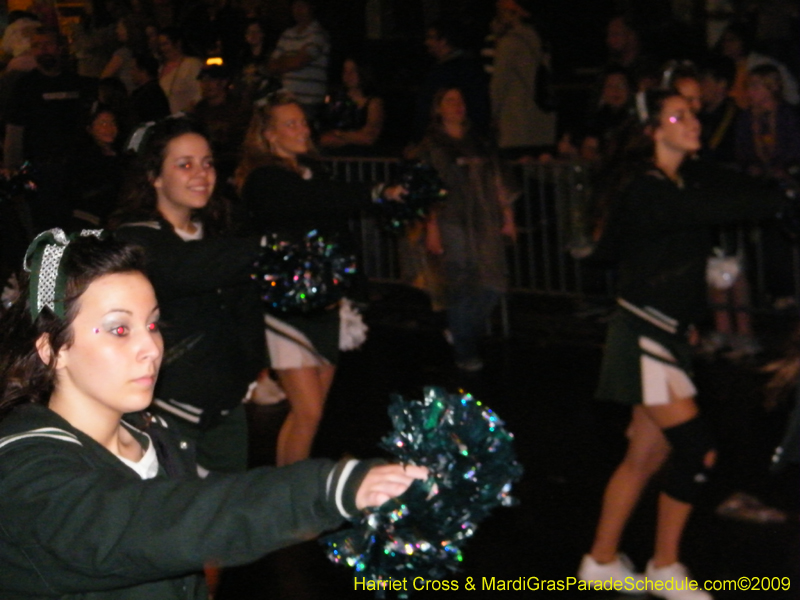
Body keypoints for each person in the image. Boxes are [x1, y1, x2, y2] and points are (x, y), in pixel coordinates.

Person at [0, 228, 427, 598]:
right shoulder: (24, 470)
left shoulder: (156, 436)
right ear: (52, 350)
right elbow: (155, 524)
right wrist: (331, 489)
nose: (151, 348)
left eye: (152, 324)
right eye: (119, 329)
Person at [576, 89, 787, 599]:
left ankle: (600, 561)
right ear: (652, 131)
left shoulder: (679, 181)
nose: (692, 121)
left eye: (693, 113)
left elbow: (710, 207)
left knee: (644, 457)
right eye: (677, 116)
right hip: (644, 336)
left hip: (663, 334)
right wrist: (781, 199)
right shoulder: (647, 189)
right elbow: (710, 208)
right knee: (697, 452)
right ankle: (665, 567)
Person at [235, 92, 405, 466]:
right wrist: (377, 191)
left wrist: (353, 290)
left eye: (303, 122)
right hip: (285, 306)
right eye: (290, 124)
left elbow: (336, 232)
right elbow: (318, 199)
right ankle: (292, 496)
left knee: (312, 412)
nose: (302, 129)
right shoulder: (264, 179)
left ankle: (294, 485)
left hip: (325, 303)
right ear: (269, 135)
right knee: (308, 411)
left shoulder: (313, 171)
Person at [110, 116, 265, 474]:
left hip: (226, 407)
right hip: (165, 411)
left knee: (233, 501)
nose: (202, 174)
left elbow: (246, 311)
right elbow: (183, 269)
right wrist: (272, 246)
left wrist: (254, 372)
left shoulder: (222, 233)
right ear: (155, 176)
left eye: (207, 163)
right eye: (185, 165)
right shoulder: (135, 239)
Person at [409, 86, 517, 373]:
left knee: (494, 284)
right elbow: (426, 190)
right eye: (450, 101)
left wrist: (507, 216)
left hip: (485, 218)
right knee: (462, 283)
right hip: (451, 219)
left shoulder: (480, 141)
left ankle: (459, 330)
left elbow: (498, 179)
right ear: (438, 109)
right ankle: (465, 351)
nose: (458, 105)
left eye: (461, 100)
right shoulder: (431, 146)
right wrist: (432, 227)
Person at [3, 26, 96, 230]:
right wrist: (12, 166)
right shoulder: (24, 86)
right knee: (46, 227)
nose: (43, 50)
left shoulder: (76, 83)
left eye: (48, 44)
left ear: (60, 48)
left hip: (75, 169)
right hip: (40, 170)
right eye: (37, 46)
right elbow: (15, 129)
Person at [489, 0, 555, 158]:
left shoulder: (510, 43)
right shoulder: (540, 39)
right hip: (542, 121)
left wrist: (492, 115)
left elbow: (498, 86)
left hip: (515, 124)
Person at [413, 18, 490, 141]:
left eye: (431, 38)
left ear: (443, 41)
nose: (426, 42)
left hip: (451, 136)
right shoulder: (466, 67)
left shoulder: (450, 71)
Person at [64, 103, 128, 230]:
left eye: (112, 123)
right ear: (90, 129)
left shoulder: (122, 156)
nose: (109, 128)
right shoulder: (84, 159)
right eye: (103, 123)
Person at [267, 0, 330, 120]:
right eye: (295, 6)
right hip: (287, 99)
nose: (298, 10)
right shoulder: (287, 34)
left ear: (311, 7)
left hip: (309, 102)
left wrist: (283, 60)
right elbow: (271, 65)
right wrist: (294, 58)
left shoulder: (317, 34)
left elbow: (299, 62)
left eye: (302, 6)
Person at [318, 56, 385, 156]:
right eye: (345, 71)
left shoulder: (374, 103)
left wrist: (339, 134)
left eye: (353, 71)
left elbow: (369, 137)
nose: (348, 75)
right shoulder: (335, 100)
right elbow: (323, 135)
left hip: (362, 156)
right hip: (333, 156)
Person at [157, 27, 203, 114]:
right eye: (160, 45)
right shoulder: (161, 68)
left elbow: (200, 92)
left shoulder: (192, 64)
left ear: (178, 43)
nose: (163, 49)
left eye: (166, 44)